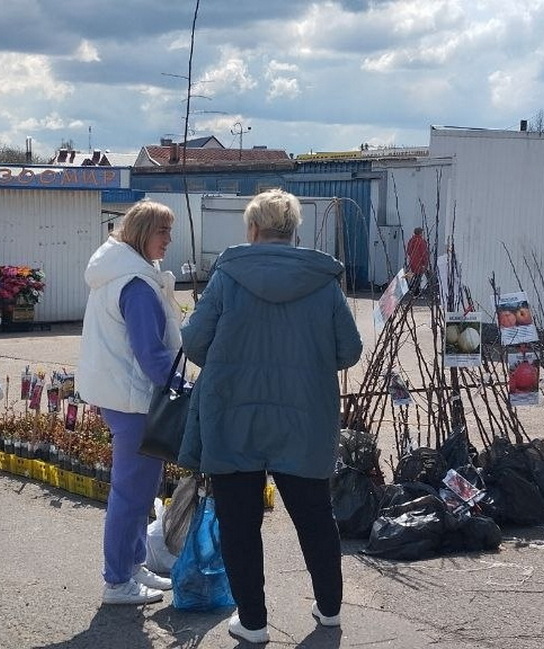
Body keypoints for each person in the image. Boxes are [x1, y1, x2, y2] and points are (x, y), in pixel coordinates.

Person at [178, 189, 363, 643]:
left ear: (253, 229)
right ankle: (330, 609)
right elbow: (350, 351)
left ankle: (255, 624)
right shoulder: (322, 281)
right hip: (304, 417)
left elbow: (194, 342)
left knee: (241, 523)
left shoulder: (227, 277)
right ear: (294, 232)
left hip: (233, 414)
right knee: (315, 518)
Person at [77, 199, 182, 606]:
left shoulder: (122, 274)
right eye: (163, 232)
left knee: (139, 488)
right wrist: (184, 389)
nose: (169, 240)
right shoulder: (135, 284)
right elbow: (151, 355)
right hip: (134, 398)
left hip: (122, 395)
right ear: (141, 234)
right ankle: (118, 580)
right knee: (132, 493)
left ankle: (133, 565)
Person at [405, 226, 430, 295]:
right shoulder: (421, 241)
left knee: (416, 276)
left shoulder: (411, 240)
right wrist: (425, 262)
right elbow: (424, 253)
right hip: (420, 262)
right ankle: (415, 291)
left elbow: (408, 252)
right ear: (420, 233)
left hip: (412, 261)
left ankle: (414, 290)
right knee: (418, 277)